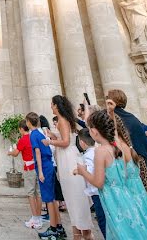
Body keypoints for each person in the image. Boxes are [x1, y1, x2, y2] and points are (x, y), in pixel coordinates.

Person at [73, 109, 147, 240]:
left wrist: (83, 171)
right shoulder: (123, 146)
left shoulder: (101, 151)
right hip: (128, 196)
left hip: (114, 200)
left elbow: (98, 182)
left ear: (94, 131)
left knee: (123, 232)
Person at [43, 95, 93, 238]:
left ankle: (84, 231)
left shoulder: (63, 120)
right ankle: (77, 231)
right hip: (65, 157)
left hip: (69, 158)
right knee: (70, 195)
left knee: (75, 194)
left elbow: (65, 142)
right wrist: (53, 135)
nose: (51, 107)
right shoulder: (62, 120)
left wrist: (49, 141)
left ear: (57, 106)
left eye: (52, 104)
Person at [106, 89, 147, 196]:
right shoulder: (132, 118)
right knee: (144, 195)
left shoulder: (112, 118)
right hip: (141, 159)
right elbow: (143, 141)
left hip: (127, 162)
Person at [27, 112, 62, 240]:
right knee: (52, 199)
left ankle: (53, 229)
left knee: (49, 200)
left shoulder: (34, 134)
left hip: (44, 167)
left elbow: (37, 152)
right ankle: (59, 227)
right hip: (49, 165)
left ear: (28, 123)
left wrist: (40, 172)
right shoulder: (41, 132)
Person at [8, 119, 42, 230]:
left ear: (22, 129)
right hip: (37, 167)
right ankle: (39, 217)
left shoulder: (23, 139)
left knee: (30, 193)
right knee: (38, 193)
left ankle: (35, 218)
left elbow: (16, 153)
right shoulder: (34, 137)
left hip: (29, 169)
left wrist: (10, 152)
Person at [78, 128, 107, 238]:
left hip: (96, 192)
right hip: (101, 191)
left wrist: (81, 171)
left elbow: (91, 174)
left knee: (102, 220)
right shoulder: (97, 151)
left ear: (82, 142)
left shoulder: (87, 156)